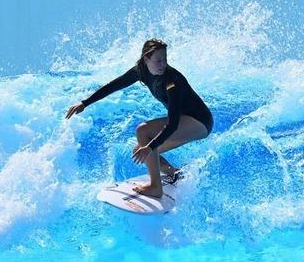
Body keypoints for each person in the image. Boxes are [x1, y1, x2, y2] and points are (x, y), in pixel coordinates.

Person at [65, 38, 213, 198]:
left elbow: (173, 124)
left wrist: (150, 146)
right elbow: (113, 86)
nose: (163, 64)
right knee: (143, 152)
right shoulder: (140, 71)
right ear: (146, 59)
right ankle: (175, 174)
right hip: (187, 121)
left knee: (143, 131)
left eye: (165, 60)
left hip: (199, 121)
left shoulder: (172, 81)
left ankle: (156, 187)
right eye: (158, 60)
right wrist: (85, 103)